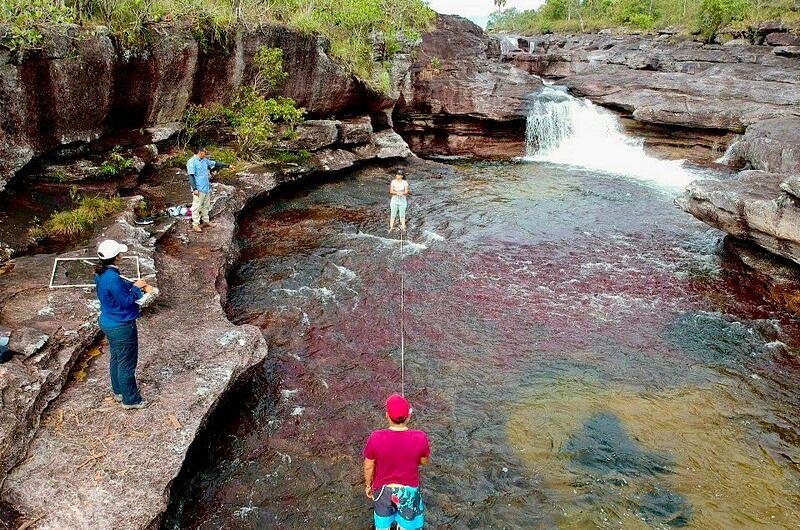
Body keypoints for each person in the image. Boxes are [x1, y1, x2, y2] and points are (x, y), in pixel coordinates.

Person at [94, 239, 154, 409]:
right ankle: (131, 400)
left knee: (117, 358)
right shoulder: (112, 277)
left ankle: (118, 391)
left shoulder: (101, 272)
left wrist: (133, 284)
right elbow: (126, 301)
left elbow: (119, 285)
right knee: (127, 363)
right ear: (117, 257)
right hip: (121, 325)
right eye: (120, 253)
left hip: (108, 321)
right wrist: (137, 289)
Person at [363, 394, 430, 530]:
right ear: (408, 416)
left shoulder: (375, 437)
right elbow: (424, 461)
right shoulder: (421, 437)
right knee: (408, 526)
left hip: (383, 490)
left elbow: (369, 466)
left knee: (383, 525)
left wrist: (368, 485)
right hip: (408, 491)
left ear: (387, 415)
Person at [186, 147, 232, 233]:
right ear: (200, 152)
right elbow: (191, 176)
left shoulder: (204, 160)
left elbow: (216, 163)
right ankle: (195, 225)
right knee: (196, 206)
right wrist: (195, 188)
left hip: (206, 187)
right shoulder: (191, 162)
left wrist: (228, 166)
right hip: (198, 189)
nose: (206, 153)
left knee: (206, 205)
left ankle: (206, 221)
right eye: (204, 151)